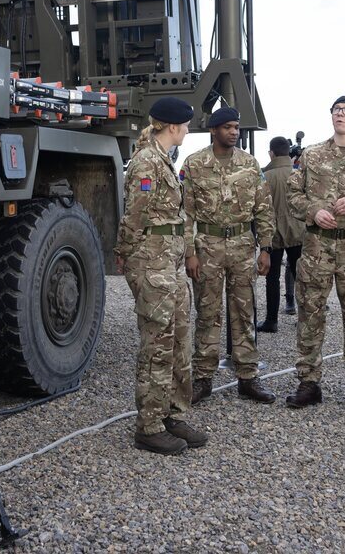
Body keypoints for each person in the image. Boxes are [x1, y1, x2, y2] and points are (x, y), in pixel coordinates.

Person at [114, 96, 207, 456]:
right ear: (173, 127)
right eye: (185, 126)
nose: (187, 131)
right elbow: (134, 217)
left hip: (169, 265)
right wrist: (126, 257)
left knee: (179, 339)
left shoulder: (163, 160)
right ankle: (149, 425)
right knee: (157, 344)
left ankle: (173, 414)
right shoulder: (146, 162)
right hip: (152, 264)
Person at [285, 95, 345, 409]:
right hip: (316, 247)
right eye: (336, 110)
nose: (341, 115)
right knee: (311, 314)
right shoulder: (312, 155)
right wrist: (313, 211)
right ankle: (309, 382)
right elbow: (292, 194)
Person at [184, 107, 276, 405]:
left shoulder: (250, 164)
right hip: (207, 245)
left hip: (241, 244)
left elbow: (263, 208)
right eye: (227, 127)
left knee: (243, 311)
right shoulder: (195, 164)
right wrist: (189, 253)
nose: (234, 132)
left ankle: (248, 377)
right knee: (207, 313)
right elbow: (185, 213)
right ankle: (203, 378)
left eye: (236, 127)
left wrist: (265, 248)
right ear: (214, 130)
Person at [258, 136, 305, 333]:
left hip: (273, 232)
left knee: (272, 278)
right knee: (301, 275)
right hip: (298, 232)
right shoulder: (299, 174)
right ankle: (305, 318)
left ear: (271, 153)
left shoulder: (264, 176)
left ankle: (271, 320)